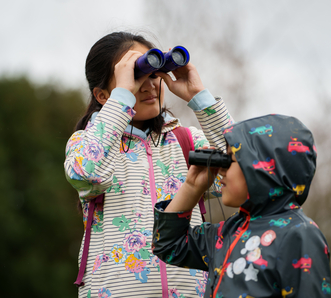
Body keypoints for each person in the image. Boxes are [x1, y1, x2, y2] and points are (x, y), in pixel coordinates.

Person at [64, 31, 233, 298]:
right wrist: (122, 100)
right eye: (134, 77)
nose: (148, 85)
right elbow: (88, 174)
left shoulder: (186, 142)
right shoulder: (88, 144)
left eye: (153, 74)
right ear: (102, 95)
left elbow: (249, 169)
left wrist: (200, 97)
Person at [152, 114, 331, 297]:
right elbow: (168, 245)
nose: (221, 169)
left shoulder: (299, 234)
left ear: (261, 169)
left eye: (230, 160)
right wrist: (191, 187)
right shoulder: (227, 232)